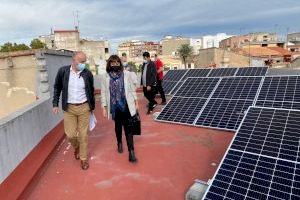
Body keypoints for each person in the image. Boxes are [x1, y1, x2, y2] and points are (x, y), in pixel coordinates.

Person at [52, 51, 95, 170]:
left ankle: (83, 158)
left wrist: (92, 108)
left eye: (84, 62)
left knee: (83, 135)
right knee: (70, 134)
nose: (83, 64)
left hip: (84, 107)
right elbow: (57, 88)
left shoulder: (87, 74)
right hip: (69, 108)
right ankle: (76, 147)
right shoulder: (63, 71)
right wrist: (55, 104)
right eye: (81, 62)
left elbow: (91, 91)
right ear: (74, 60)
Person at [100, 55, 139, 163]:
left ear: (120, 64)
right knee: (118, 126)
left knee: (128, 128)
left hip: (126, 104)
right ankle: (119, 142)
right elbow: (103, 92)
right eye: (113, 63)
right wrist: (104, 107)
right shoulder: (105, 77)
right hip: (114, 106)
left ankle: (131, 152)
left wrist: (136, 102)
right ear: (109, 64)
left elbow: (132, 89)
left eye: (117, 62)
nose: (115, 64)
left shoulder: (126, 74)